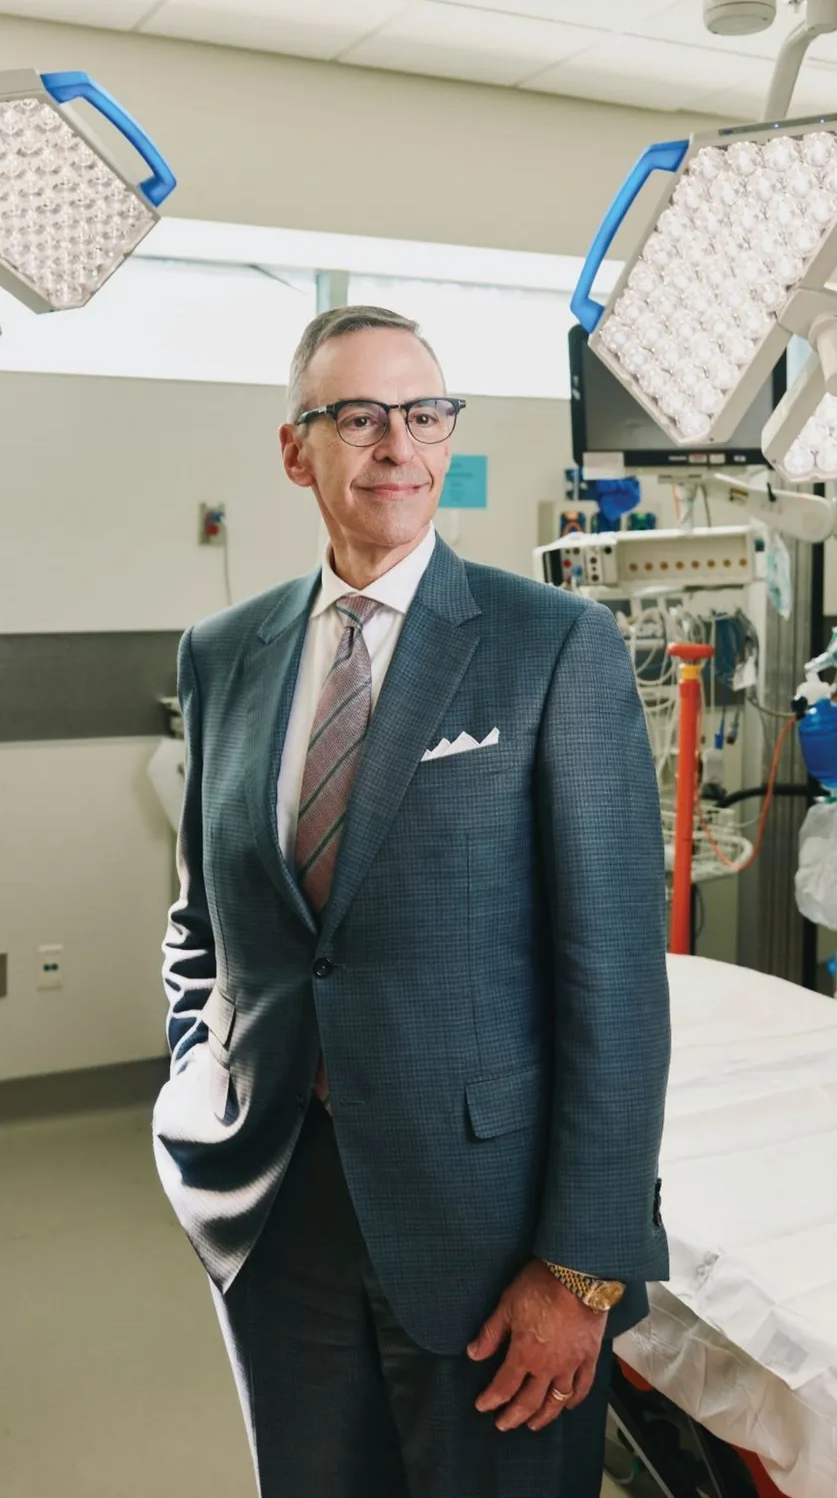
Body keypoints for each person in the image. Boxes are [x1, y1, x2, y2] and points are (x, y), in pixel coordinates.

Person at [153, 305, 670, 1497]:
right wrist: (198, 1081)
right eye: (358, 417)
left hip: (488, 1232)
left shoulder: (553, 646)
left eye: (424, 414)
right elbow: (201, 926)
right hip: (275, 1208)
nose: (398, 445)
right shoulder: (223, 656)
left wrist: (581, 1268)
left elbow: (615, 982)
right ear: (297, 451)